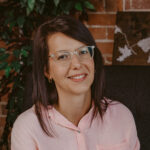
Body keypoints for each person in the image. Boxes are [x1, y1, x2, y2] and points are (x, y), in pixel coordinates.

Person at [11, 16, 140, 150]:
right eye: (63, 56)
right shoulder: (28, 127)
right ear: (47, 71)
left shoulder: (122, 116)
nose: (77, 64)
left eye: (83, 52)